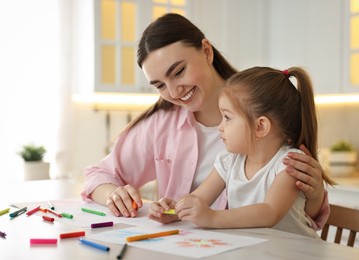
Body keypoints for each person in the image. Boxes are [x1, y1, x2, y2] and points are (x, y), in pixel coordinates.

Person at [81, 13, 329, 228]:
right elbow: (98, 175)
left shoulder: (262, 102)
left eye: (178, 72)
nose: (174, 92)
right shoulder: (162, 124)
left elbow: (298, 214)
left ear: (207, 51)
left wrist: (316, 193)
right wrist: (119, 196)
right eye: (159, 85)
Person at [149, 66, 334, 237]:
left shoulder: (290, 164)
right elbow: (198, 198)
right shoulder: (229, 160)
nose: (220, 126)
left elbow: (270, 212)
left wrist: (213, 218)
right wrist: (175, 210)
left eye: (227, 117)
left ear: (260, 126)